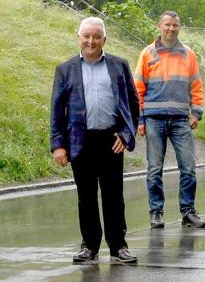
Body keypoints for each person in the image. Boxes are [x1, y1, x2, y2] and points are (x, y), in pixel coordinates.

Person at [51, 17, 141, 264]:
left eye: (96, 37)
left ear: (104, 40)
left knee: (114, 196)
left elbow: (133, 106)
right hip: (80, 141)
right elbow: (57, 111)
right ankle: (89, 246)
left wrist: (126, 134)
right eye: (86, 36)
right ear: (78, 37)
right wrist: (58, 145)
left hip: (111, 140)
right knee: (86, 196)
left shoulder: (119, 66)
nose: (91, 41)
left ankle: (118, 246)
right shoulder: (65, 69)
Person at [135, 11, 205, 229]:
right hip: (153, 119)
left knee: (188, 167)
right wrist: (139, 119)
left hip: (180, 120)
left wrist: (196, 112)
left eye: (175, 25)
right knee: (154, 169)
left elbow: (196, 85)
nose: (171, 29)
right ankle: (156, 212)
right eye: (167, 25)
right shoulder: (147, 54)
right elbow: (137, 88)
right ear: (160, 26)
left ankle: (188, 211)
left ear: (179, 27)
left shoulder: (188, 55)